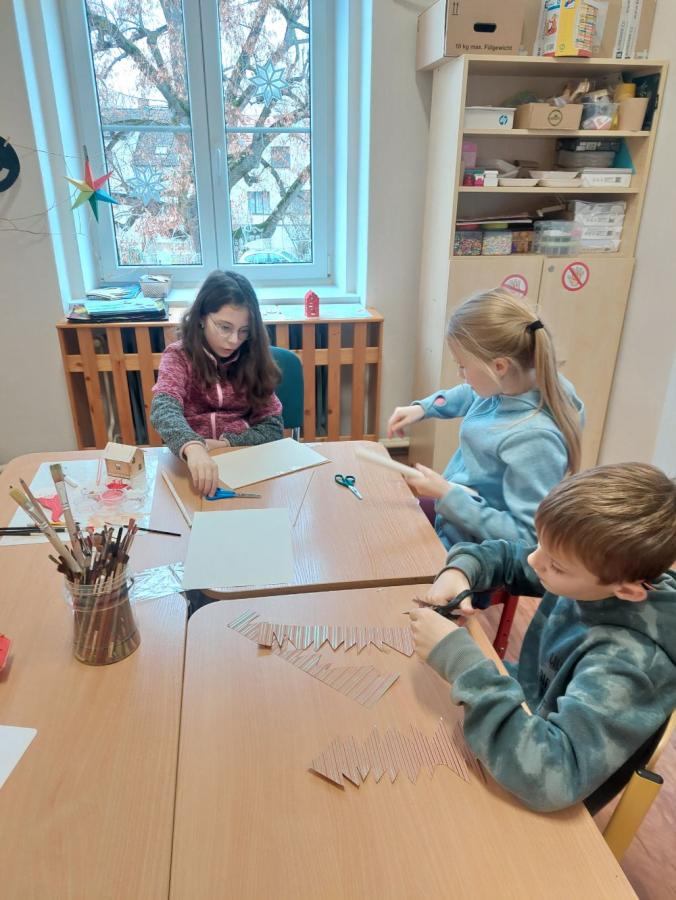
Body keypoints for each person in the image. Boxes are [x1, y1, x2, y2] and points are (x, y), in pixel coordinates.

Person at [409, 462, 676, 813]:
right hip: (527, 711)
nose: (535, 561)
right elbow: (508, 556)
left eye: (557, 566)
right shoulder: (592, 573)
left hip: (540, 778)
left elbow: (554, 777)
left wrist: (461, 661)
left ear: (627, 591)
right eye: (539, 543)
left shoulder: (629, 663)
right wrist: (460, 571)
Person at [387, 288, 584, 551]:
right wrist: (424, 408)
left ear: (499, 366)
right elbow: (472, 393)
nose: (460, 374)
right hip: (457, 521)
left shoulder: (535, 440)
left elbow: (527, 538)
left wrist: (447, 494)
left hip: (475, 555)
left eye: (462, 366)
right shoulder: (512, 384)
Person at [150, 270, 283, 496]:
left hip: (245, 462)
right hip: (189, 465)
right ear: (202, 317)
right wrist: (193, 446)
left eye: (244, 331)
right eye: (224, 327)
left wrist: (225, 444)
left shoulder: (253, 357)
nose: (234, 340)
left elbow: (273, 426)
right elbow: (163, 408)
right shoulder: (178, 356)